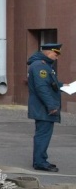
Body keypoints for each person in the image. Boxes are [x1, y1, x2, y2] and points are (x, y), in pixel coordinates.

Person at [27, 43, 64, 172]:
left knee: (44, 134)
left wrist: (66, 87)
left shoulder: (45, 65)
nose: (57, 57)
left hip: (43, 107)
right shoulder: (39, 66)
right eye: (56, 54)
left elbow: (51, 84)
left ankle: (41, 159)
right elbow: (42, 88)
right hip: (43, 107)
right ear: (49, 52)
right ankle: (40, 162)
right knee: (43, 135)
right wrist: (52, 105)